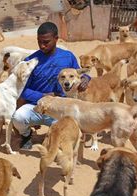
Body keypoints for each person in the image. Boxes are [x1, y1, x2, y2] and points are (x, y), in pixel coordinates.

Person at [12, 21, 90, 150]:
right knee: (18, 118)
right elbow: (21, 90)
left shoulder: (67, 57)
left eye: (46, 42)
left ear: (56, 39)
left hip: (60, 109)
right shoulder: (31, 61)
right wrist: (43, 96)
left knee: (71, 125)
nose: (42, 46)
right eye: (39, 41)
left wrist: (86, 78)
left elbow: (78, 73)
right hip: (36, 106)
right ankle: (26, 135)